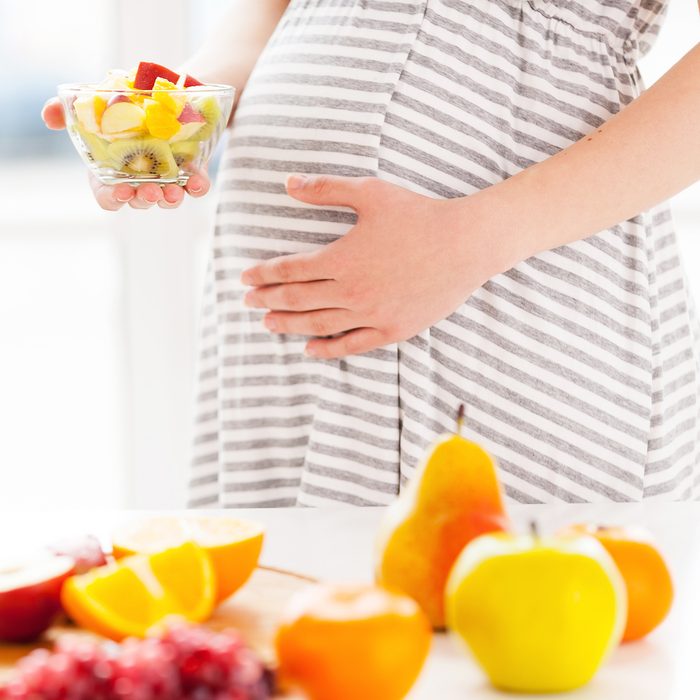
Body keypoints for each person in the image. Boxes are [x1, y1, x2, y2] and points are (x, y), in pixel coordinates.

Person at [44, 1, 700, 507]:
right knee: (292, 632)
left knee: (502, 638)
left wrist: (470, 241)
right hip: (274, 355)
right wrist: (184, 109)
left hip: (511, 294)